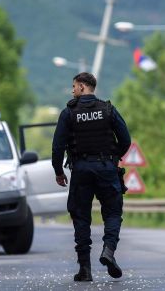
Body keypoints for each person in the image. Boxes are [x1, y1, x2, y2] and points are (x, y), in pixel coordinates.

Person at [52, 72, 131, 282]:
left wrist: (58, 171)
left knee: (81, 216)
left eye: (74, 86)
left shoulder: (68, 113)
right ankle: (108, 251)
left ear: (83, 86)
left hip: (81, 169)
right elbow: (126, 139)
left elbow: (58, 146)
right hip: (106, 167)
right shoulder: (108, 110)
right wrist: (114, 158)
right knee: (113, 212)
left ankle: (85, 269)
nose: (72, 90)